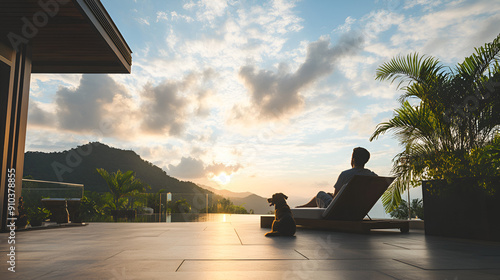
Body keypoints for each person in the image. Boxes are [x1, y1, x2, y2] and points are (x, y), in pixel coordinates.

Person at [297, 147, 377, 208]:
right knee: (328, 194)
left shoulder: (345, 174)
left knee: (320, 194)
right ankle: (302, 207)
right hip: (358, 208)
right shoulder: (372, 175)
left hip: (339, 209)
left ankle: (300, 209)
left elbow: (336, 198)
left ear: (353, 159)